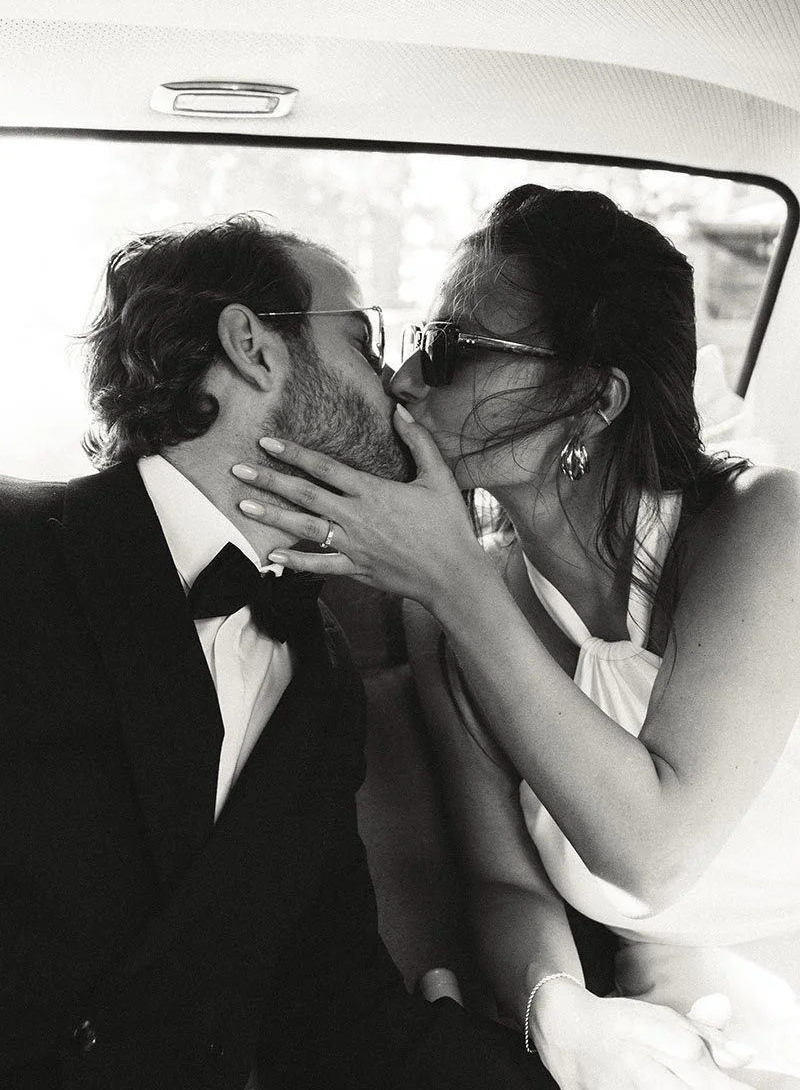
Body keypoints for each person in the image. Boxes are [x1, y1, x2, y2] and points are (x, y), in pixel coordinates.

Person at [229, 185, 800, 1090]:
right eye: (417, 347)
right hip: (678, 1014)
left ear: (591, 399)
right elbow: (506, 885)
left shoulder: (764, 525)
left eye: (452, 351)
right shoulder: (449, 613)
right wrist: (559, 1011)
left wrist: (452, 575)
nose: (407, 381)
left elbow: (652, 850)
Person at [0, 213, 571, 1090]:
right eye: (366, 343)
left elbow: (327, 1001)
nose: (400, 386)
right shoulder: (19, 551)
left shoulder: (321, 677)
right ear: (251, 345)